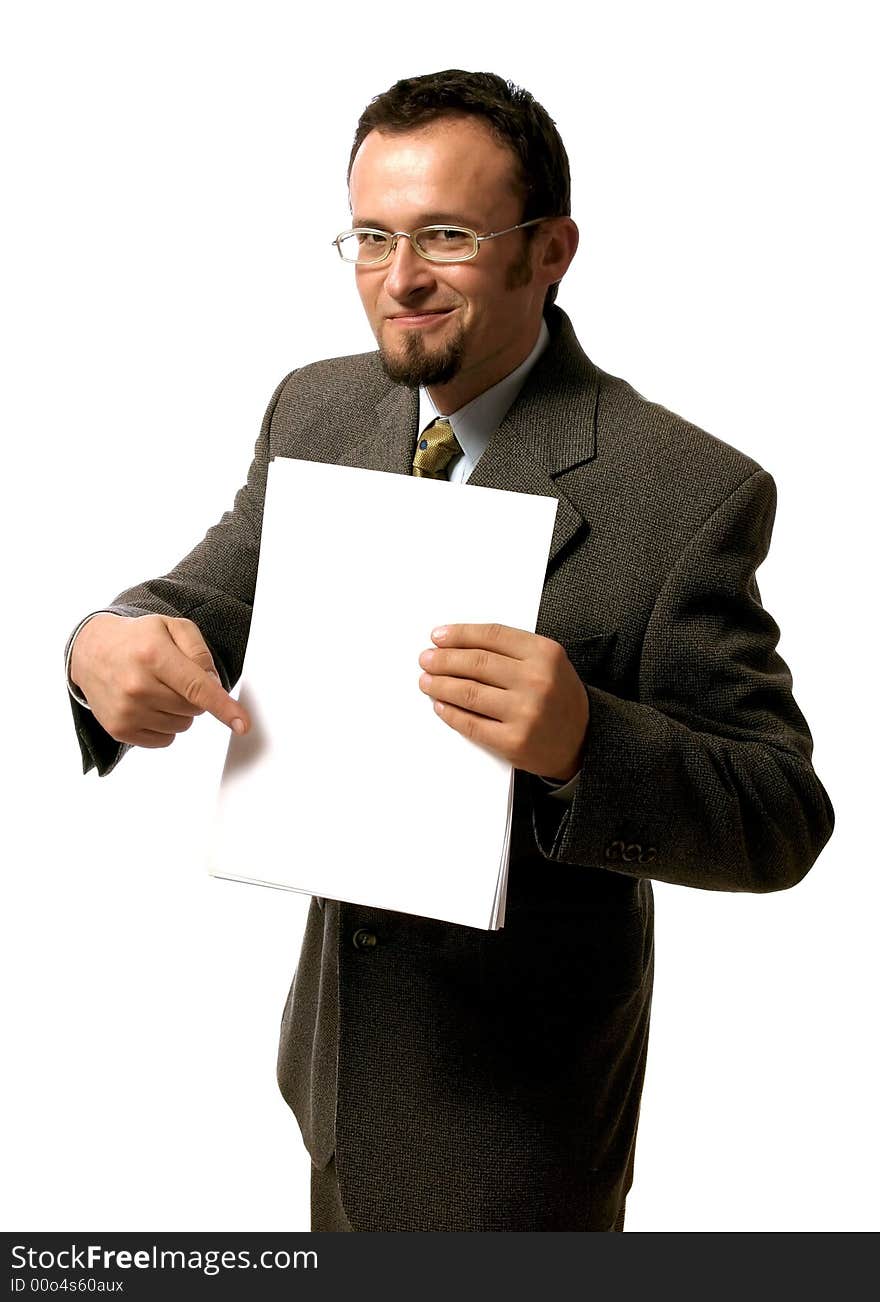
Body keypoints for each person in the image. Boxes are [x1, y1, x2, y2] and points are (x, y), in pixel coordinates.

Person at [65, 69, 834, 1232]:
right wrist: (100, 643)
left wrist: (588, 742)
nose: (399, 278)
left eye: (445, 236)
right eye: (370, 236)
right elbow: (197, 597)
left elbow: (781, 811)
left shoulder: (687, 492)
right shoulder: (314, 410)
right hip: (331, 1080)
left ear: (549, 250)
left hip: (519, 1133)